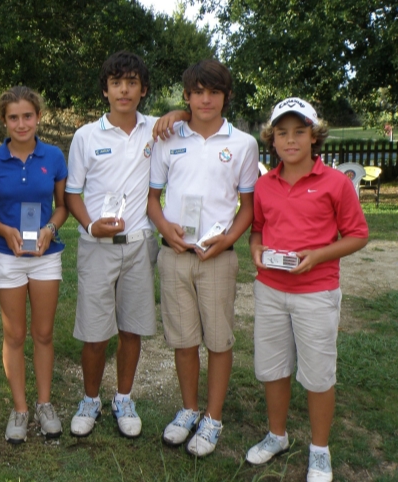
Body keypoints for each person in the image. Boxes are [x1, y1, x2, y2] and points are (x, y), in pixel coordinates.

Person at [65, 51, 188, 439]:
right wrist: (89, 225)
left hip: (139, 244)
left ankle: (122, 397)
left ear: (143, 89)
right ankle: (90, 400)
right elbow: (72, 194)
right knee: (94, 332)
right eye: (117, 82)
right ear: (105, 90)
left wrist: (180, 113)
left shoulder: (156, 129)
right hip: (97, 245)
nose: (124, 89)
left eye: (132, 82)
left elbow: (197, 116)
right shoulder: (86, 136)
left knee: (131, 328)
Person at [244, 98, 368, 481]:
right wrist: (255, 248)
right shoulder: (265, 184)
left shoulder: (334, 183)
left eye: (300, 131)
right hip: (270, 290)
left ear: (315, 137)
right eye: (282, 133)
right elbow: (259, 229)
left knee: (318, 375)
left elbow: (358, 235)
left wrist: (318, 255)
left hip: (316, 292)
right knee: (273, 369)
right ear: (272, 139)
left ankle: (319, 450)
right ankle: (277, 435)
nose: (291, 140)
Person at [147, 59, 259, 457]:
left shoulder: (243, 143)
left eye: (213, 92)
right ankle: (189, 409)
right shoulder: (168, 139)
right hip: (175, 253)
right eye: (197, 92)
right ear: (187, 96)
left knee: (218, 339)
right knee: (182, 339)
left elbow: (248, 206)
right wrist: (166, 230)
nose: (205, 99)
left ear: (226, 96)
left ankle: (212, 418)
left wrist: (228, 238)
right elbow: (152, 198)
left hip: (218, 256)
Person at [0, 86, 68, 444]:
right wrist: (5, 230)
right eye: (13, 117)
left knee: (43, 334)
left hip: (45, 257)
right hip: (8, 256)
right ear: (4, 120)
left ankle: (44, 404)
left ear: (38, 117)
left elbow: (62, 206)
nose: (21, 124)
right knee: (14, 335)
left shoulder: (54, 156)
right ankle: (20, 409)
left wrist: (50, 228)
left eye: (27, 116)